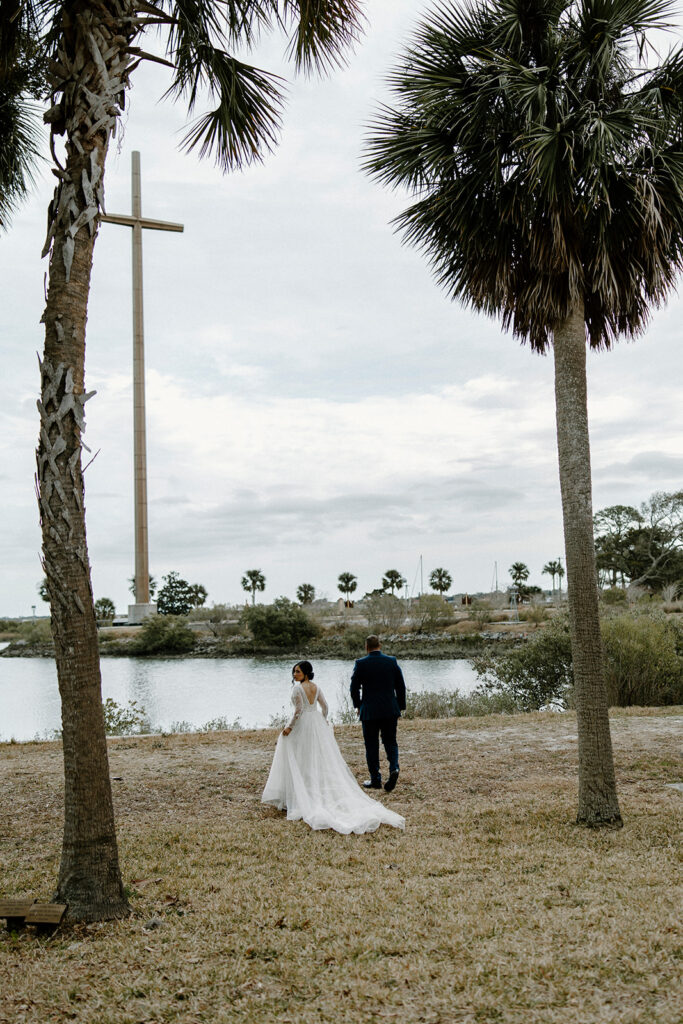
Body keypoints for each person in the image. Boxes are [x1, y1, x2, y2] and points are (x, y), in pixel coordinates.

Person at [261, 660, 404, 834]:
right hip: (316, 722)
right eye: (294, 671)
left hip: (303, 724)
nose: (294, 674)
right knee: (313, 755)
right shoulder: (316, 687)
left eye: (297, 671)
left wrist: (289, 727)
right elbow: (325, 707)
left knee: (297, 753)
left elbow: (298, 711)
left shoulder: (298, 689)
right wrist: (323, 720)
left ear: (305, 673)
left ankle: (297, 793)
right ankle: (305, 789)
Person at [350, 635, 406, 793]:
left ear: (366, 647)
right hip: (389, 709)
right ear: (380, 645)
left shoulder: (360, 663)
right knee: (390, 741)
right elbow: (400, 686)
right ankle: (394, 768)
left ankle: (375, 779)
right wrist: (400, 707)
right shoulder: (391, 661)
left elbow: (354, 688)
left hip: (369, 711)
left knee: (371, 744)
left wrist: (358, 705)